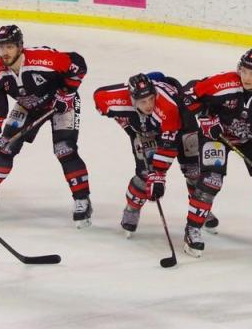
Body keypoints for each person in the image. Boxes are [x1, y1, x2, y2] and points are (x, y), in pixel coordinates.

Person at [0, 25, 92, 228]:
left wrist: (67, 92)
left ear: (20, 46)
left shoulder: (42, 59)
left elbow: (77, 63)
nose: (4, 52)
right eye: (1, 47)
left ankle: (82, 200)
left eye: (9, 47)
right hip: (27, 105)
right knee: (5, 147)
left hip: (61, 103)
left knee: (65, 149)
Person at [179, 48, 252, 257]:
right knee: (211, 180)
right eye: (244, 71)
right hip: (216, 135)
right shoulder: (223, 83)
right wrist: (204, 117)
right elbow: (186, 94)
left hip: (250, 139)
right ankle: (192, 230)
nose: (246, 77)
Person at [93, 73, 218, 238]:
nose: (148, 105)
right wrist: (124, 122)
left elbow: (168, 145)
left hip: (182, 126)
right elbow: (99, 98)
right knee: (145, 173)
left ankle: (200, 210)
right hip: (148, 131)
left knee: (193, 171)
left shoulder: (167, 106)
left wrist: (158, 176)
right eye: (143, 101)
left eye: (151, 99)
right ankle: (132, 209)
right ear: (132, 99)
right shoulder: (115, 98)